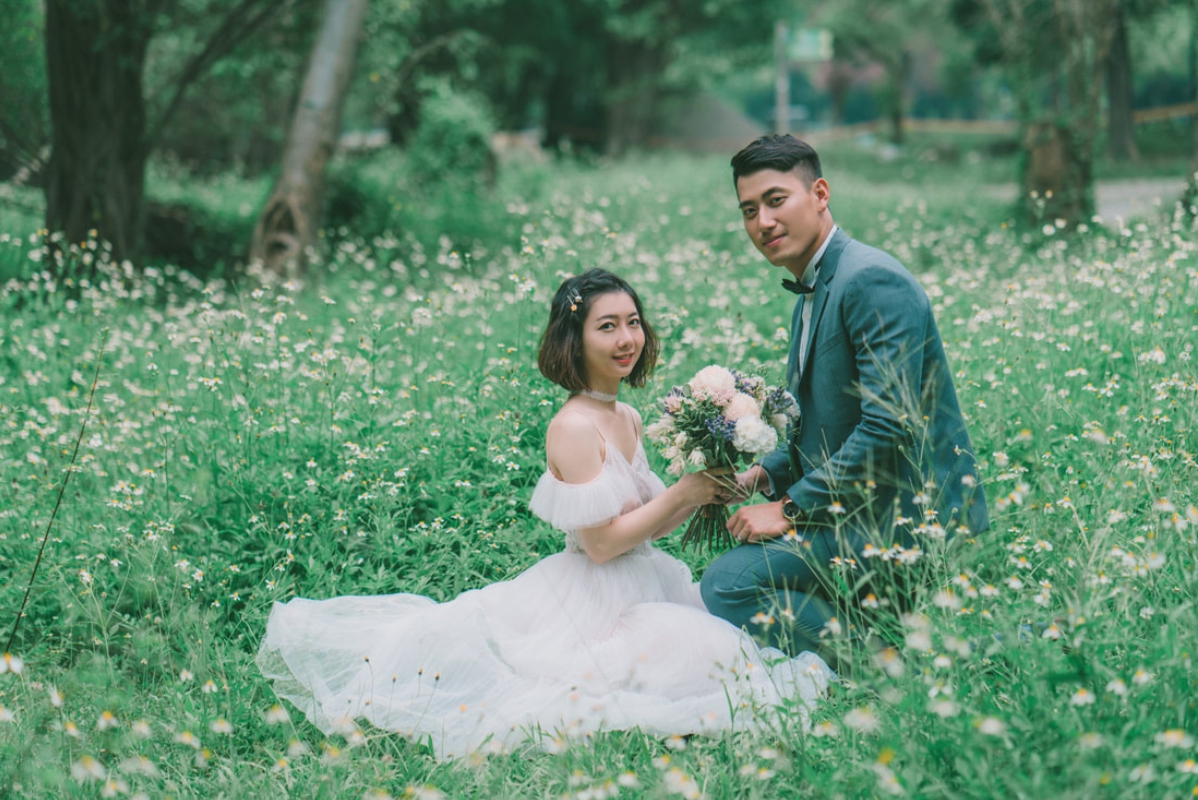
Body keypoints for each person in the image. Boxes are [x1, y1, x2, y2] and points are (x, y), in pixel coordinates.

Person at [257, 268, 831, 761]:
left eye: (633, 321)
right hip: (594, 594)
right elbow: (603, 544)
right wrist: (682, 493)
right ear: (574, 341)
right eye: (607, 326)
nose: (626, 337)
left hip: (647, 581)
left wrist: (705, 492)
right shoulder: (573, 426)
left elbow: (650, 528)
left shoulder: (627, 419)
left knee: (718, 657)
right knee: (691, 669)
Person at [700, 135, 990, 660]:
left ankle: (881, 664)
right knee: (737, 559)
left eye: (775, 200)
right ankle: (891, 633)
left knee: (726, 584)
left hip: (901, 519)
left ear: (820, 193)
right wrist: (759, 477)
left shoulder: (870, 280)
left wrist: (787, 510)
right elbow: (823, 427)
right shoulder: (814, 289)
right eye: (748, 210)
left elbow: (890, 427)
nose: (762, 222)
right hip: (852, 508)